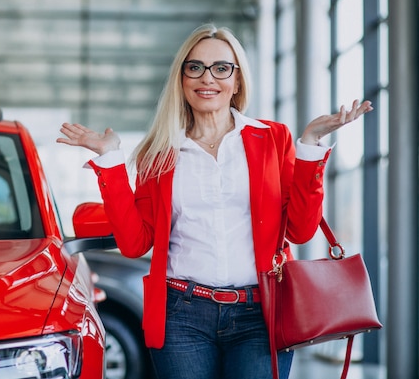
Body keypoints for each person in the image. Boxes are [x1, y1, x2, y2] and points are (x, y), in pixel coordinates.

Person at [57, 23, 373, 379]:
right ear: (182, 79)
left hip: (261, 313)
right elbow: (135, 244)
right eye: (195, 67)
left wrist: (311, 148)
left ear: (237, 81)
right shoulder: (157, 153)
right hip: (182, 317)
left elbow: (300, 231)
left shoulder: (272, 139)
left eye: (222, 68)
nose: (207, 78)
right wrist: (110, 163)